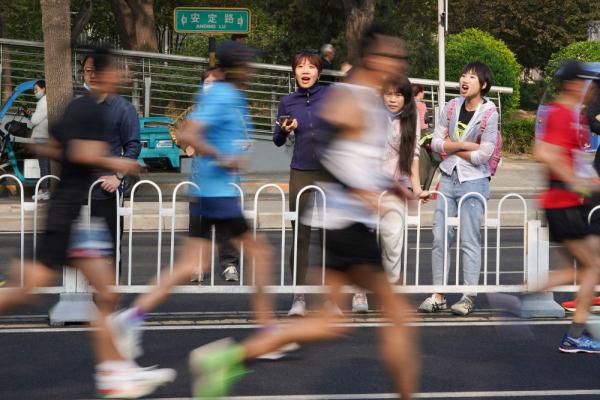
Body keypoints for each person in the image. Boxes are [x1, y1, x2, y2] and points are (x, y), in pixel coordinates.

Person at [188, 26, 419, 400]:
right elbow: (325, 145)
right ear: (376, 59)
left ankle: (231, 356)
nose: (401, 64)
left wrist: (386, 184)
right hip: (350, 225)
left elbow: (350, 153)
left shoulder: (361, 97)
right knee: (399, 318)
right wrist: (359, 188)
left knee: (327, 324)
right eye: (397, 56)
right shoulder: (351, 97)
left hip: (340, 223)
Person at [0, 47, 175, 398]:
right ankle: (115, 372)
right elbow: (78, 151)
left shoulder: (91, 108)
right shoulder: (87, 109)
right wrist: (122, 165)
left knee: (106, 292)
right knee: (29, 289)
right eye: (118, 71)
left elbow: (51, 146)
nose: (122, 76)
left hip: (73, 215)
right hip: (66, 214)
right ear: (102, 74)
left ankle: (115, 373)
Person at [107, 41, 275, 363]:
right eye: (248, 64)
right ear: (237, 67)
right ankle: (268, 334)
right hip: (216, 193)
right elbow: (188, 135)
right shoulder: (222, 94)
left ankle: (130, 318)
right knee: (261, 254)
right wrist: (222, 156)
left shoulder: (234, 96)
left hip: (214, 192)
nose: (254, 69)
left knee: (189, 266)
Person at [418, 61, 499, 316]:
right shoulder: (452, 107)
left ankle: (468, 296)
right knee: (441, 237)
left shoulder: (490, 113)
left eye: (472, 77)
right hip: (448, 177)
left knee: (469, 239)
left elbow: (484, 155)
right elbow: (436, 143)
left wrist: (454, 146)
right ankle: (438, 294)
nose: (464, 80)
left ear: (483, 85)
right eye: (463, 75)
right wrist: (466, 146)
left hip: (474, 180)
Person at [532, 60, 600, 353]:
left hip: (569, 202)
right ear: (575, 84)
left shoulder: (574, 115)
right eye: (589, 84)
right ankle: (574, 336)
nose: (593, 90)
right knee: (592, 267)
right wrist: (574, 179)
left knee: (587, 268)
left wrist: (589, 180)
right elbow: (543, 152)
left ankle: (518, 297)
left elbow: (573, 159)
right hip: (562, 202)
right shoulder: (560, 113)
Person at [273, 50, 334, 315]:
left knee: (331, 235)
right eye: (300, 67)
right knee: (301, 235)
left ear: (319, 71)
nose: (305, 71)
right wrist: (286, 129)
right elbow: (276, 138)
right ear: (294, 71)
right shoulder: (288, 101)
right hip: (301, 171)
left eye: (311, 67)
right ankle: (299, 297)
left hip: (330, 172)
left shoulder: (331, 95)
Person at [82, 54, 142, 278]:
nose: (92, 75)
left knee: (109, 251)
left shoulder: (122, 108)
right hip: (80, 194)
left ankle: (108, 301)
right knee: (84, 253)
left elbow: (133, 146)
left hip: (107, 194)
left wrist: (117, 176)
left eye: (97, 70)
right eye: (88, 71)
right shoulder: (79, 107)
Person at [188, 67, 241, 283]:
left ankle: (229, 265)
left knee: (226, 228)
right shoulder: (194, 113)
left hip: (226, 181)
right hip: (199, 180)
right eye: (206, 83)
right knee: (198, 227)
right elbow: (185, 140)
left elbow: (241, 142)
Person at [380, 78, 429, 283]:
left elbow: (413, 156)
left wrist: (417, 189)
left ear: (406, 97)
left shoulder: (412, 118)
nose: (392, 99)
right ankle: (360, 292)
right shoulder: (373, 116)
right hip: (369, 184)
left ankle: (390, 288)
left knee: (392, 240)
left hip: (397, 186)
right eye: (388, 94)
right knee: (365, 239)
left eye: (398, 95)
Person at [28, 80, 50, 201]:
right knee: (45, 165)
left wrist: (32, 117)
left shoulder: (44, 102)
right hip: (43, 137)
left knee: (44, 166)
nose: (35, 92)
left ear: (44, 88)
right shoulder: (43, 101)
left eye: (37, 89)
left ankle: (45, 191)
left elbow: (35, 120)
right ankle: (45, 189)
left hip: (43, 138)